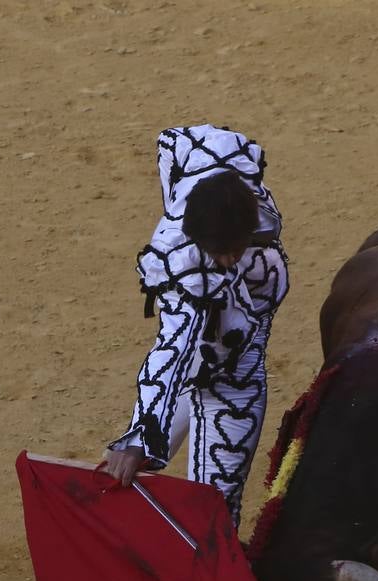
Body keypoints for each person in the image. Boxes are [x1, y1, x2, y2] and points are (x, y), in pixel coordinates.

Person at [102, 124, 290, 526]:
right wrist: (139, 436)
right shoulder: (185, 272)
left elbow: (187, 143)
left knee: (213, 514)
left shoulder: (247, 203)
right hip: (207, 371)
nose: (225, 261)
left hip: (236, 364)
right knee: (200, 513)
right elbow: (174, 348)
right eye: (216, 252)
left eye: (233, 250)